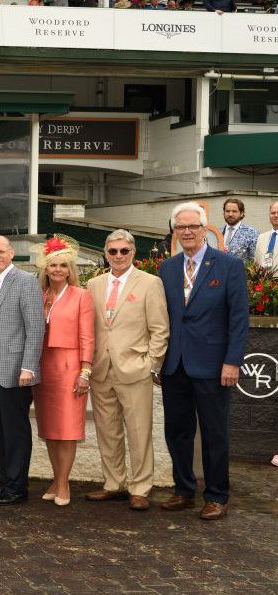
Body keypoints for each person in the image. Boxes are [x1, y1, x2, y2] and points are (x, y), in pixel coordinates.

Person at [158, 201, 248, 520]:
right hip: (175, 365)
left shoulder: (228, 265)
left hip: (213, 365)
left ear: (205, 228)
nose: (186, 232)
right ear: (174, 231)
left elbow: (238, 318)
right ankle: (183, 490)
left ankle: (216, 495)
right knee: (177, 431)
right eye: (180, 227)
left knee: (214, 433)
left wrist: (232, 361)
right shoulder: (167, 269)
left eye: (193, 226)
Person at [85, 229, 169, 511]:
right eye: (113, 251)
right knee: (107, 431)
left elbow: (160, 329)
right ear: (105, 253)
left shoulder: (150, 283)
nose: (118, 256)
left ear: (133, 252)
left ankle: (141, 487)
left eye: (124, 251)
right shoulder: (94, 284)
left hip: (135, 369)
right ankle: (114, 483)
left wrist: (150, 364)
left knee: (139, 431)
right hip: (101, 369)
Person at [0, 235, 46, 506]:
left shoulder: (26, 282)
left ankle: (17, 488)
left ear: (10, 253)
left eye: (1, 251)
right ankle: (5, 482)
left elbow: (35, 328)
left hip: (17, 370)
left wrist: (28, 367)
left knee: (15, 431)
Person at [32, 236, 94, 507]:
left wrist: (85, 372)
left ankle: (64, 483)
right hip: (43, 367)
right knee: (49, 428)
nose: (57, 270)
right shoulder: (39, 295)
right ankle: (56, 480)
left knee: (67, 429)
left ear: (70, 270)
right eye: (52, 265)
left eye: (62, 266)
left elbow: (87, 337)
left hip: (70, 367)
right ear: (45, 268)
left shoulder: (81, 296)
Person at [253, 200, 278, 276]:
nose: (276, 215)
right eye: (273, 213)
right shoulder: (261, 237)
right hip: (263, 284)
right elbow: (256, 262)